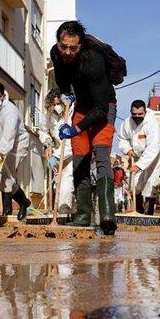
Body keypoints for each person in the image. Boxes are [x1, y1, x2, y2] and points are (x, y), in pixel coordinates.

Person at [50, 21, 117, 234]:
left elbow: (100, 109)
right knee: (80, 156)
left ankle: (107, 215)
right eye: (63, 46)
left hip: (104, 106)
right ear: (58, 42)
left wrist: (76, 129)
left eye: (73, 48)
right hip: (81, 105)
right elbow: (61, 78)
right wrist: (64, 93)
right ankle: (83, 214)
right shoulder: (56, 53)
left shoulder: (93, 61)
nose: (67, 52)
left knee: (101, 153)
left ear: (81, 46)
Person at [0, 82, 32, 220]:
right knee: (5, 177)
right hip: (1, 143)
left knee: (4, 175)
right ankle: (22, 202)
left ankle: (9, 210)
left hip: (17, 144)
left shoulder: (10, 110)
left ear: (3, 95)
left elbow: (9, 135)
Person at [117, 100, 160, 215]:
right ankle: (138, 211)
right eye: (134, 114)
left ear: (145, 112)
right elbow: (123, 138)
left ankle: (148, 214)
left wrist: (139, 166)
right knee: (134, 184)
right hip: (137, 156)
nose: (137, 117)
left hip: (156, 156)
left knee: (151, 182)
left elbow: (154, 147)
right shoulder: (126, 123)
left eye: (140, 114)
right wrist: (127, 149)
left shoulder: (152, 123)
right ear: (131, 112)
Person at [38, 89, 74, 214]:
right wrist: (48, 142)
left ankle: (64, 209)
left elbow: (71, 142)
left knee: (67, 178)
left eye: (59, 104)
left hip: (70, 151)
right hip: (57, 148)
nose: (56, 107)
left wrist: (56, 156)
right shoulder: (49, 114)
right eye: (54, 104)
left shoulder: (71, 113)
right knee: (57, 180)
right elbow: (43, 130)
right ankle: (59, 210)